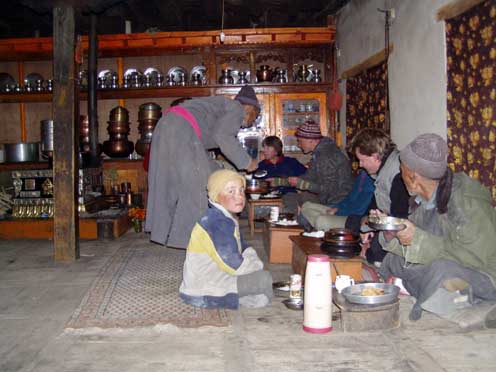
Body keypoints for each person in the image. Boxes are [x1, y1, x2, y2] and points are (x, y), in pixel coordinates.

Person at [378, 134, 496, 324]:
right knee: (395, 259)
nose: (400, 176)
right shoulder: (422, 200)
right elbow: (416, 245)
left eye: (401, 171)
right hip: (446, 261)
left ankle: (458, 298)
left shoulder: (466, 202)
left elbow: (474, 257)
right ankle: (421, 288)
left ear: (413, 175)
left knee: (440, 270)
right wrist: (390, 233)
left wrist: (418, 240)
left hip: (485, 274)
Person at [146, 86, 260, 248]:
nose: (249, 123)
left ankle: (164, 232)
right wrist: (248, 162)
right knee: (198, 187)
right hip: (181, 128)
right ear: (251, 110)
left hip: (165, 125)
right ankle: (194, 242)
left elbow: (203, 145)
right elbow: (223, 137)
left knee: (167, 183)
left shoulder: (220, 107)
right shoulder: (236, 108)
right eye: (253, 118)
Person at [179, 169, 273, 309]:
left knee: (261, 280)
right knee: (263, 279)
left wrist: (251, 257)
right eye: (231, 191)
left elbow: (243, 246)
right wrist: (255, 264)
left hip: (216, 276)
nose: (239, 196)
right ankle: (232, 299)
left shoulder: (224, 216)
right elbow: (235, 266)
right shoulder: (215, 222)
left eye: (241, 190)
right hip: (201, 290)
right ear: (216, 196)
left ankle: (243, 296)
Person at [349, 128, 409, 263]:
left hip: (404, 231)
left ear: (375, 156)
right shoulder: (384, 171)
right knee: (355, 225)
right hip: (388, 225)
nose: (360, 165)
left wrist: (373, 230)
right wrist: (367, 226)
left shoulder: (398, 175)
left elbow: (400, 220)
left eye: (362, 160)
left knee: (374, 249)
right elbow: (376, 206)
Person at [270, 119, 353, 208]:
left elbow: (330, 189)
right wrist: (278, 181)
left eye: (300, 141)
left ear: (311, 140)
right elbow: (309, 177)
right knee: (290, 197)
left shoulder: (327, 156)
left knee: (295, 202)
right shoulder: (319, 153)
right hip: (327, 199)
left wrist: (303, 184)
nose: (298, 145)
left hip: (338, 203)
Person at [300, 169, 374, 231]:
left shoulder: (372, 182)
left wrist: (338, 211)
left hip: (352, 219)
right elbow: (349, 198)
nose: (360, 164)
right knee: (306, 206)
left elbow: (359, 210)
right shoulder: (362, 176)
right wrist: (337, 207)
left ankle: (323, 227)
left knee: (320, 220)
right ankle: (323, 228)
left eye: (363, 160)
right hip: (343, 210)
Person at [255, 135, 306, 213]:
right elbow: (255, 184)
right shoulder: (261, 166)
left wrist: (283, 181)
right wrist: (265, 184)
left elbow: (307, 176)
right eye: (264, 148)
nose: (264, 151)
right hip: (268, 198)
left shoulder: (291, 162)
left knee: (291, 207)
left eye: (267, 148)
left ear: (276, 150)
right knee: (259, 210)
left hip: (290, 195)